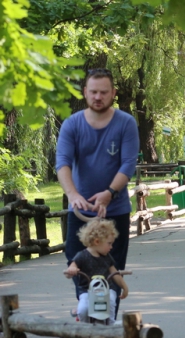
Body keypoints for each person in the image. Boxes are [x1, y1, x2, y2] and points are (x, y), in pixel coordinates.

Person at [56, 68, 139, 298]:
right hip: (81, 212)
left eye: (103, 92)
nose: (98, 97)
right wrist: (73, 195)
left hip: (115, 210)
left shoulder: (126, 123)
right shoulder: (72, 124)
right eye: (93, 92)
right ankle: (87, 316)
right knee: (78, 265)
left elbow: (128, 164)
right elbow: (62, 162)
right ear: (85, 92)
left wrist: (110, 193)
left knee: (112, 268)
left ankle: (108, 324)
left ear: (113, 93)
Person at [65, 218, 129, 323]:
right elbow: (69, 271)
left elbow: (115, 273)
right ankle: (84, 325)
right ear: (97, 241)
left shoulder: (107, 257)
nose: (111, 247)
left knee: (111, 300)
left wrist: (124, 287)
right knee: (83, 309)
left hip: (106, 290)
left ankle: (110, 322)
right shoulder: (82, 256)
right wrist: (72, 270)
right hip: (87, 290)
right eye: (109, 243)